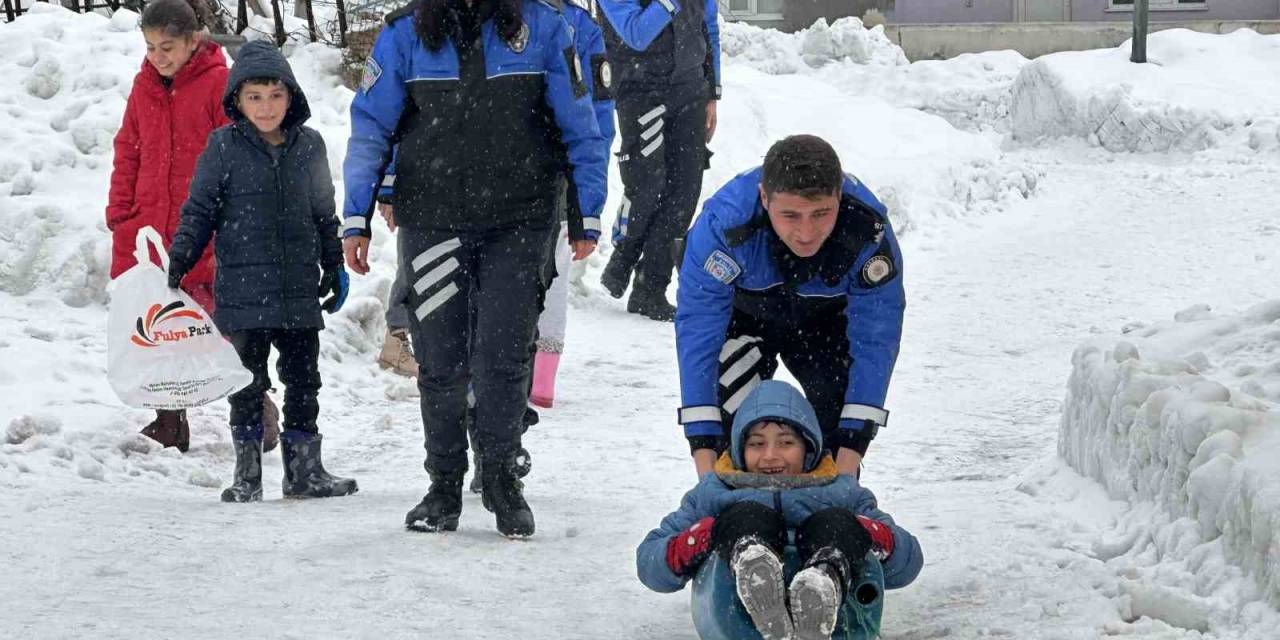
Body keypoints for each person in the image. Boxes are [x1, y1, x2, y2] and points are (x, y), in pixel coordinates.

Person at [341, 0, 608, 538]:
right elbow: (372, 127)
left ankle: (503, 478)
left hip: (520, 221)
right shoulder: (404, 34)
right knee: (439, 360)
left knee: (504, 356)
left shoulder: (545, 28)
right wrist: (357, 215)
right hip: (433, 222)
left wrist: (586, 212)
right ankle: (442, 486)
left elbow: (581, 125)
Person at [167, 41, 358, 503]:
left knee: (303, 381)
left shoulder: (309, 145)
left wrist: (333, 265)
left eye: (275, 95)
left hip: (297, 290)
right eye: (254, 97)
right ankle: (247, 475)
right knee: (247, 384)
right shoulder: (223, 147)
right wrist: (177, 266)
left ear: (291, 97)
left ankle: (304, 471)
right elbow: (198, 213)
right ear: (237, 99)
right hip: (244, 292)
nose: (266, 106)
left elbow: (322, 213)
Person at [675, 135, 905, 478]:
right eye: (791, 215)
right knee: (739, 434)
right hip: (744, 318)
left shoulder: (868, 234)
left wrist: (846, 466)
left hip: (825, 322)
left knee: (833, 432)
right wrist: (705, 459)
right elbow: (698, 334)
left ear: (839, 197)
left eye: (821, 213)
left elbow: (876, 340)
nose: (806, 232)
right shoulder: (723, 228)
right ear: (764, 198)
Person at [636, 381, 922, 640]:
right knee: (744, 518)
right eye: (757, 444)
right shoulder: (715, 493)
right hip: (733, 617)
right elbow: (650, 564)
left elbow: (907, 563)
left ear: (808, 448)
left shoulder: (841, 491)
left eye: (786, 442)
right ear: (739, 450)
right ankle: (756, 572)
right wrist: (703, 536)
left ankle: (822, 585)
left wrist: (867, 533)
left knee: (835, 523)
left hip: (839, 623)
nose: (770, 455)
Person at [104, 0, 262, 452]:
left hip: (204, 228)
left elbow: (236, 154)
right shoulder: (144, 87)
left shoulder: (219, 84)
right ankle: (170, 420)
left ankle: (257, 406)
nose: (158, 56)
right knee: (158, 327)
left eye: (167, 46)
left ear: (195, 41)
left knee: (213, 326)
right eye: (151, 47)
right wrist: (120, 212)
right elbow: (127, 149)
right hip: (150, 228)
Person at [596, 0, 720, 321]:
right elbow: (637, 34)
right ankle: (625, 254)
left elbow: (710, 28)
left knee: (684, 192)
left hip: (691, 88)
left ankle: (651, 288)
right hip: (641, 89)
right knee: (647, 184)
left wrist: (713, 93)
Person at [530, 0, 617, 408]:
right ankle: (534, 373)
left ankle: (540, 374)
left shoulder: (581, 26)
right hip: (547, 164)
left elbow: (600, 112)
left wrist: (589, 194)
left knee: (554, 267)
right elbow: (598, 119)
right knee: (550, 272)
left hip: (554, 167)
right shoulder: (575, 22)